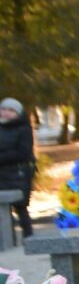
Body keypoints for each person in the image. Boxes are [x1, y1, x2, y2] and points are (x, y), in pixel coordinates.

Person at [0, 98, 35, 239]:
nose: (6, 113)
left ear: (18, 113)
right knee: (3, 210)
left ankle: (29, 238)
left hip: (18, 173)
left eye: (11, 110)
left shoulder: (24, 129)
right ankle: (8, 240)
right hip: (1, 174)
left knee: (21, 208)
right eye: (3, 109)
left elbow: (23, 153)